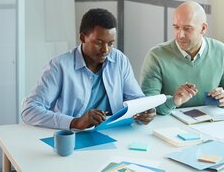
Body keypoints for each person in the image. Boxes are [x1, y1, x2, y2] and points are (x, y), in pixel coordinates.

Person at [21, 8, 156, 130]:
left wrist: (145, 110)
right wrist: (75, 122)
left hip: (114, 133)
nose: (105, 50)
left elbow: (136, 98)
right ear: (82, 37)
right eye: (99, 42)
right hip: (74, 137)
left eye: (110, 43)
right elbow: (29, 110)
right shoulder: (59, 66)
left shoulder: (119, 60)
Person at [141, 1, 224, 115]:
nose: (180, 34)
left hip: (211, 123)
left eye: (187, 28)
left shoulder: (221, 51)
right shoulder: (156, 56)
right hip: (169, 125)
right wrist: (173, 101)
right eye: (176, 27)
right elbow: (148, 104)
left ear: (203, 28)